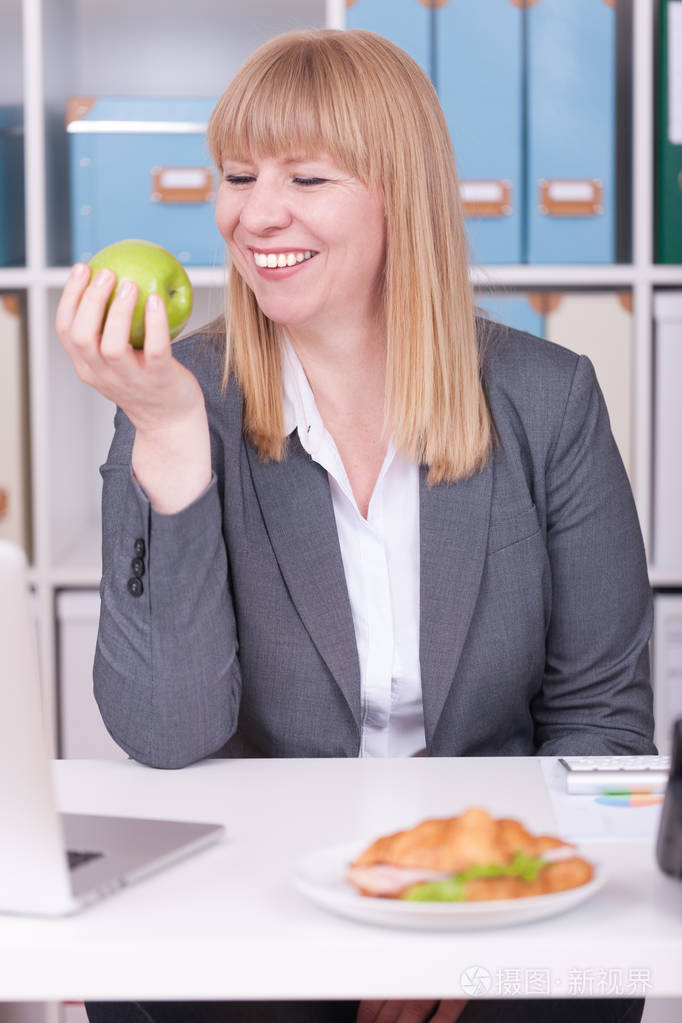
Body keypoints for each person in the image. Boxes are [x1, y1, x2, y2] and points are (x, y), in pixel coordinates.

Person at [56, 28, 652, 1023]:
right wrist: (163, 436)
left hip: (485, 858)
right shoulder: (176, 396)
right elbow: (166, 735)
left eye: (307, 177)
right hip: (262, 877)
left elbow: (601, 730)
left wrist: (451, 913)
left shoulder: (547, 399)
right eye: (238, 175)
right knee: (160, 991)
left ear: (399, 196)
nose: (256, 214)